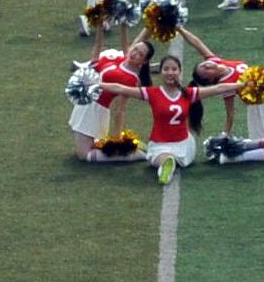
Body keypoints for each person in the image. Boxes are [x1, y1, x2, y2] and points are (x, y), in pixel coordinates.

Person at [85, 51, 244, 185]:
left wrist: (241, 84)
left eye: (174, 69)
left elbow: (218, 88)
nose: (170, 72)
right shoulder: (153, 93)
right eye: (166, 69)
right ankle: (166, 164)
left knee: (160, 159)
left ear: (179, 72)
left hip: (183, 144)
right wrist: (99, 84)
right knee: (161, 158)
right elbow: (122, 89)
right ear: (160, 73)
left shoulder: (188, 93)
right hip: (160, 143)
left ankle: (166, 164)